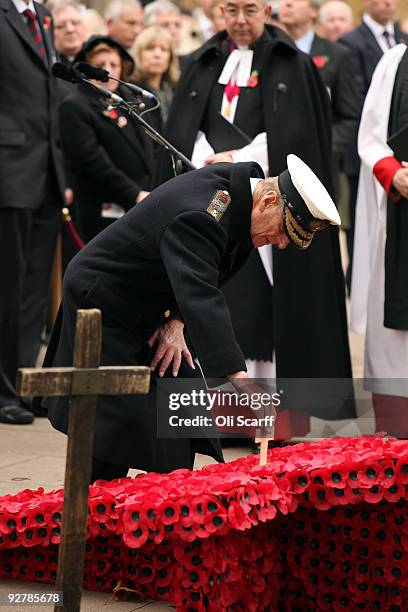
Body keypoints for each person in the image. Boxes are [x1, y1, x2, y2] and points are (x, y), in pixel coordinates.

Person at [45, 156, 341, 480]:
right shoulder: (203, 215)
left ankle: (167, 509)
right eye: (283, 231)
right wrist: (242, 382)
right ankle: (93, 514)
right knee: (112, 425)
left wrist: (177, 321)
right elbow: (201, 293)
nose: (282, 244)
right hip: (105, 301)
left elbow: (202, 272)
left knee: (179, 418)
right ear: (269, 200)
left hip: (153, 303)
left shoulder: (242, 199)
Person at [154, 0, 353, 435]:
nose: (240, 21)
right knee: (215, 291)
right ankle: (223, 419)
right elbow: (186, 127)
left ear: (267, 10)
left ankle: (276, 417)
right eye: (231, 10)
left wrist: (240, 159)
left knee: (270, 303)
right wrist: (206, 156)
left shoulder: (292, 65)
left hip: (268, 198)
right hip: (208, 196)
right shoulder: (203, 60)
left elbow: (296, 139)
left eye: (249, 10)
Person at [0, 0, 65, 424]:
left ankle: (22, 386)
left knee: (34, 292)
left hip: (47, 171)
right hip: (8, 166)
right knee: (7, 283)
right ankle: (2, 390)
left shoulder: (42, 16)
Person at [351, 43, 408, 438]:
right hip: (402, 204)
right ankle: (397, 435)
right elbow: (370, 136)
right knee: (394, 327)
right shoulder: (396, 61)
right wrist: (394, 173)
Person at [339, 0, 408, 290]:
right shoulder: (391, 60)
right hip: (393, 173)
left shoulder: (400, 41)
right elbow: (366, 118)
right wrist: (393, 171)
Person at [59, 35, 153, 243]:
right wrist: (133, 194)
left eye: (114, 64)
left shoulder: (128, 100)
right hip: (104, 206)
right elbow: (90, 160)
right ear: (87, 69)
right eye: (101, 65)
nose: (108, 70)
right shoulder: (75, 105)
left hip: (142, 201)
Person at [278, 0, 359, 199]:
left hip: (319, 169)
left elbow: (349, 116)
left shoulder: (338, 55)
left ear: (314, 11)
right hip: (273, 164)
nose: (286, 4)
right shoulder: (270, 52)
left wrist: (325, 149)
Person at [132, 25, 180, 132]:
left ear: (171, 57)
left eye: (164, 49)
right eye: (150, 48)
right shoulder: (131, 92)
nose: (157, 54)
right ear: (138, 54)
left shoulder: (174, 90)